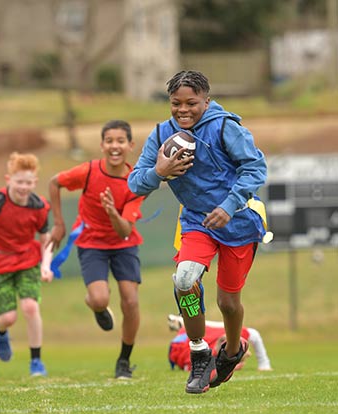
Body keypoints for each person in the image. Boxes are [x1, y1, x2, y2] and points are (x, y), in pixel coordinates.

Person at [128, 70, 267, 394]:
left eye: (191, 102)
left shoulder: (225, 127)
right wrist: (158, 172)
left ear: (206, 100)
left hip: (239, 222)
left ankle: (232, 351)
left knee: (228, 303)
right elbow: (135, 183)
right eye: (176, 103)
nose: (183, 110)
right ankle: (199, 349)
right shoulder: (162, 133)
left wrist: (229, 205)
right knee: (184, 281)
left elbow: (255, 168)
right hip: (196, 222)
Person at [48, 120, 145, 379]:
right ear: (102, 145)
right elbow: (54, 183)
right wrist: (58, 223)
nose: (115, 146)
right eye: (110, 141)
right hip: (91, 242)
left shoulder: (136, 180)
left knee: (131, 300)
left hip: (124, 243)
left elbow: (125, 230)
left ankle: (124, 361)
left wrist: (113, 212)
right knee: (100, 298)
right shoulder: (89, 171)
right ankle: (97, 305)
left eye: (120, 141)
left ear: (130, 145)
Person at [0, 152, 53, 376]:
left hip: (26, 260)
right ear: (9, 180)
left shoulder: (39, 206)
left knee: (31, 307)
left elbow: (46, 240)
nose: (24, 187)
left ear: (35, 182)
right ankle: (0, 330)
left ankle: (36, 362)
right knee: (9, 318)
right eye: (19, 182)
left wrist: (46, 265)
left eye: (28, 182)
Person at [167, 314, 272, 372]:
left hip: (182, 340)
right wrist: (264, 364)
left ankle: (183, 322)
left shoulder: (205, 357)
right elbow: (254, 334)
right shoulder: (201, 359)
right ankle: (184, 322)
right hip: (181, 343)